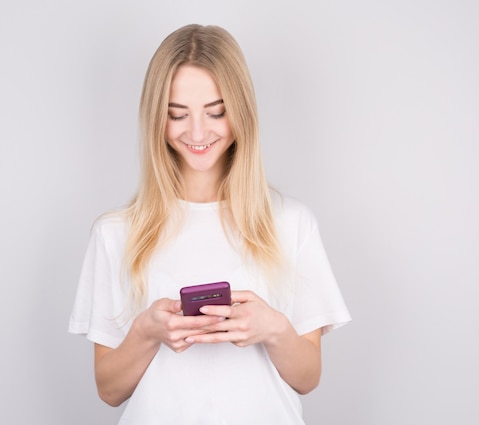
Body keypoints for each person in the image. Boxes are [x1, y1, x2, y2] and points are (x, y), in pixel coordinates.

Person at [68, 24, 351, 424]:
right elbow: (109, 390)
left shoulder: (290, 224)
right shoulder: (116, 233)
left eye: (216, 112)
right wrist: (147, 332)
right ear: (156, 120)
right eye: (177, 115)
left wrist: (273, 329)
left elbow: (308, 377)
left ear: (241, 110)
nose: (198, 132)